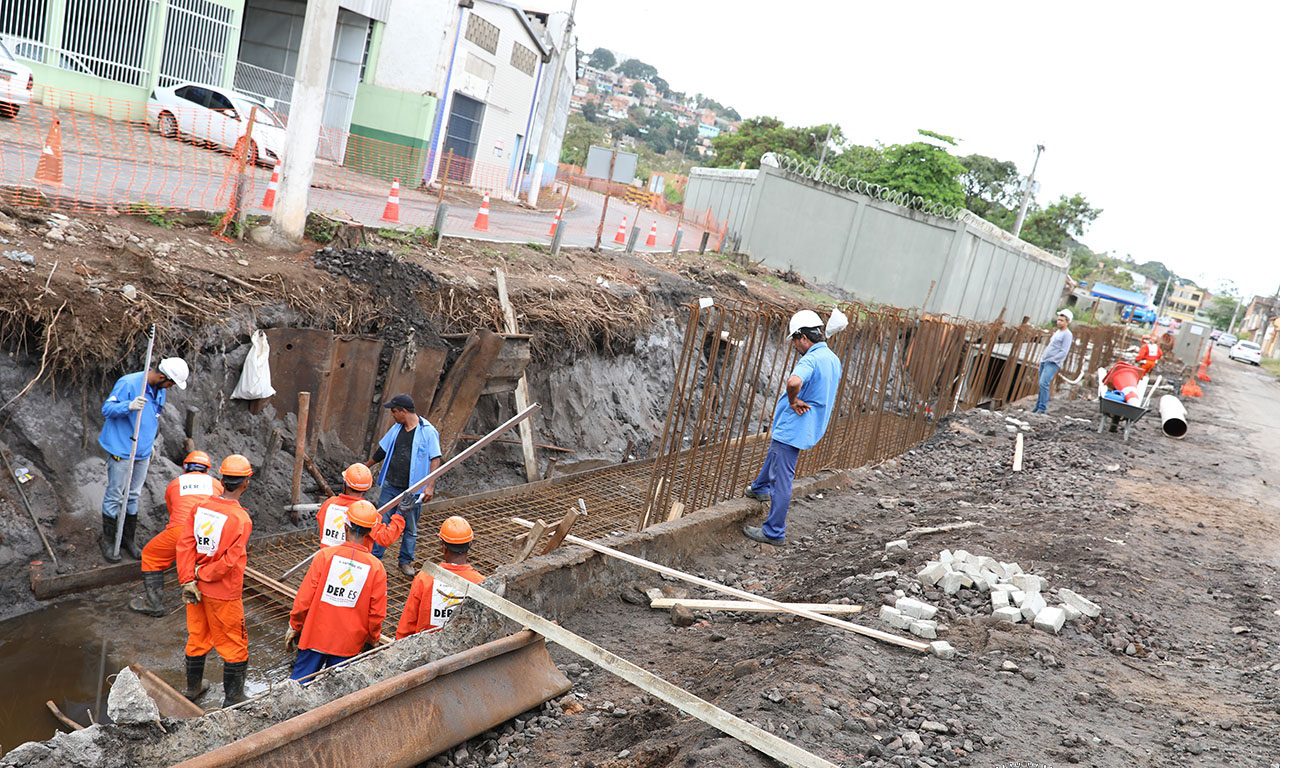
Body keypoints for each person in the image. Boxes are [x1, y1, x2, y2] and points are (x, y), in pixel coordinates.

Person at [742, 310, 842, 546]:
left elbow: (793, 381)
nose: (795, 346)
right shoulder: (832, 358)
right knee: (776, 459)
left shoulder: (811, 359)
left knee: (782, 479)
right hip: (810, 426)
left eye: (795, 341)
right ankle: (759, 488)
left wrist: (793, 399)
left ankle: (774, 531)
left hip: (794, 427)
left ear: (803, 337)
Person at [175, 454, 254, 706]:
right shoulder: (241, 519)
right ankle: (234, 697)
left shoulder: (200, 508)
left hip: (195, 588)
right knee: (233, 642)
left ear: (221, 479)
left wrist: (188, 578)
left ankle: (193, 688)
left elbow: (185, 544)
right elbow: (229, 562)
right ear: (245, 483)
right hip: (223, 591)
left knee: (197, 636)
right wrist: (202, 575)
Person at [98, 356, 190, 562]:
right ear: (162, 376)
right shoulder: (129, 383)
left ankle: (128, 539)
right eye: (171, 383)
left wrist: (151, 443)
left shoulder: (160, 390)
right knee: (115, 495)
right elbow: (107, 410)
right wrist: (128, 406)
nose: (171, 387)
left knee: (133, 495)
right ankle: (108, 540)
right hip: (122, 449)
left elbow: (154, 417)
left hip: (142, 452)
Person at [286, 499, 388, 681]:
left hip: (315, 637)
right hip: (348, 645)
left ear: (345, 526)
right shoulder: (376, 567)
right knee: (336, 692)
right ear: (370, 531)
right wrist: (373, 638)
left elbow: (304, 599)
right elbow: (376, 614)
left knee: (298, 687)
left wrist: (295, 625)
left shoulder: (325, 556)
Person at [128, 451, 221, 617]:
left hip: (182, 529)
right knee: (206, 559)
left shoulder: (175, 483)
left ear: (185, 467)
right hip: (210, 530)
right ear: (207, 469)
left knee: (151, 555)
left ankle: (154, 603)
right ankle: (210, 599)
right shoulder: (215, 484)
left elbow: (173, 513)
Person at [366, 394, 442, 577]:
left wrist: (430, 486)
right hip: (392, 484)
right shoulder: (396, 428)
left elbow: (435, 459)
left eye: (394, 411)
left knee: (410, 527)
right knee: (381, 521)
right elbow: (382, 451)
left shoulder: (428, 432)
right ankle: (375, 558)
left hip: (413, 489)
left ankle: (405, 561)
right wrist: (365, 466)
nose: (392, 415)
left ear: (403, 411)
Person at [396, 516, 484, 639]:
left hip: (424, 649)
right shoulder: (481, 583)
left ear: (442, 546)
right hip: (464, 652)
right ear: (470, 544)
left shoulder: (425, 578)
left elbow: (407, 624)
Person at [316, 463, 405, 551]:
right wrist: (399, 515)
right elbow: (385, 538)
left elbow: (320, 522)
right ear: (367, 488)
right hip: (354, 562)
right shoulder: (366, 512)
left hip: (327, 559)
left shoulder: (329, 504)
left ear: (345, 483)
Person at [1034, 309, 1074, 414]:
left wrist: (1053, 359)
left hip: (1052, 363)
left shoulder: (1067, 334)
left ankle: (1042, 408)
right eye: (1058, 320)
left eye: (1062, 320)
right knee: (1041, 384)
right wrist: (1043, 358)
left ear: (1067, 322)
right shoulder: (1058, 331)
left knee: (1044, 383)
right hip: (1045, 360)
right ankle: (1037, 406)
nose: (1059, 322)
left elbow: (1064, 351)